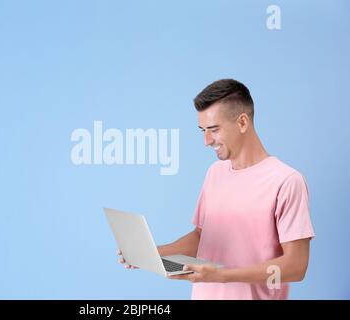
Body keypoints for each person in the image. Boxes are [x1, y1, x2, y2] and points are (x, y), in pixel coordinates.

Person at [117, 79, 315, 299]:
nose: (206, 141)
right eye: (202, 130)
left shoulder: (287, 181)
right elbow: (202, 237)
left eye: (213, 129)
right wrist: (151, 254)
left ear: (242, 122)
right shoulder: (215, 173)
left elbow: (296, 267)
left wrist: (223, 275)